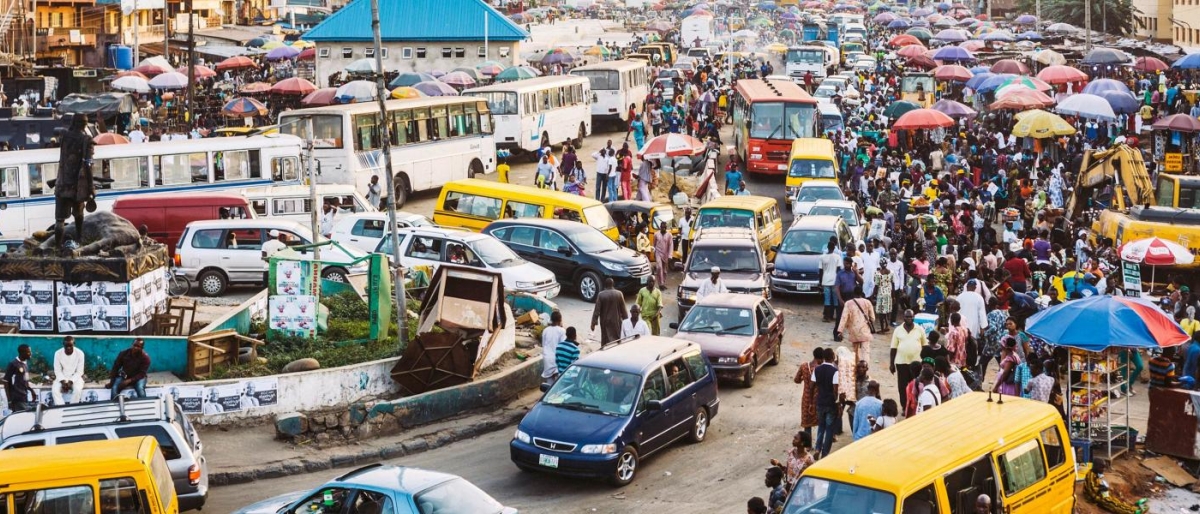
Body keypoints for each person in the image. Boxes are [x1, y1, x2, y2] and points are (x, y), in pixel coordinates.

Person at [53, 114, 96, 248]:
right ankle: (79, 241)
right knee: (79, 216)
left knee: (59, 220)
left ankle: (57, 247)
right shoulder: (87, 140)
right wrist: (91, 187)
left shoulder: (64, 136)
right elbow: (88, 165)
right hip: (78, 187)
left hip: (61, 185)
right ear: (84, 125)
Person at [890, 310, 927, 408]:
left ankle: (915, 405)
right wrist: (891, 363)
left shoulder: (919, 329)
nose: (909, 319)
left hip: (916, 363)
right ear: (904, 318)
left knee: (916, 385)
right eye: (907, 317)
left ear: (913, 318)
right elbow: (893, 348)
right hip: (901, 363)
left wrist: (925, 361)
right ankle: (904, 406)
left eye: (910, 317)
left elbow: (925, 346)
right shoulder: (898, 330)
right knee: (902, 387)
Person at [812, 347, 839, 459]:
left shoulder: (817, 369)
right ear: (833, 358)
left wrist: (811, 401)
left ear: (823, 357)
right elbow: (835, 389)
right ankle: (825, 453)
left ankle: (818, 448)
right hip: (830, 403)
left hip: (820, 402)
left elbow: (812, 386)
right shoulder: (835, 371)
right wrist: (838, 403)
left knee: (821, 426)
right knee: (829, 429)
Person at [838, 288, 875, 364]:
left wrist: (840, 331)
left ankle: (857, 369)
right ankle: (865, 368)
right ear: (862, 293)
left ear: (853, 293)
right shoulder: (867, 302)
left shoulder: (848, 303)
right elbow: (873, 318)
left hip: (854, 331)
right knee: (865, 352)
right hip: (865, 331)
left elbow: (844, 318)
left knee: (855, 352)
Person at [794, 348, 822, 437]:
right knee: (821, 422)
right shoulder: (821, 369)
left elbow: (796, 380)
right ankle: (819, 445)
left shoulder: (804, 366)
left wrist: (804, 379)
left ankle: (808, 445)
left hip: (806, 398)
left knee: (807, 422)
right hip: (818, 398)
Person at [591, 278, 628, 346]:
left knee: (605, 340)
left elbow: (596, 311)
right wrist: (627, 321)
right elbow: (624, 310)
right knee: (617, 338)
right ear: (613, 284)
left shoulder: (601, 295)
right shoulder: (619, 294)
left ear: (605, 285)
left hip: (605, 322)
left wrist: (593, 323)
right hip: (616, 321)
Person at [52, 336, 85, 405]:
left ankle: (72, 408)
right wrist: (63, 381)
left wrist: (71, 381)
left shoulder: (80, 353)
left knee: (77, 390)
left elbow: (79, 371)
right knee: (55, 390)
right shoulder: (58, 353)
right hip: (62, 376)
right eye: (66, 346)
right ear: (63, 345)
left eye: (70, 346)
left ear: (74, 344)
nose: (68, 348)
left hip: (75, 377)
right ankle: (61, 408)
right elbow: (57, 370)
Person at [4, 344, 33, 412]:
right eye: (28, 352)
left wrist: (32, 391)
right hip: (16, 398)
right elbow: (6, 382)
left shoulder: (25, 364)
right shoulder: (13, 364)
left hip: (24, 397)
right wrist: (9, 400)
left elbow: (26, 380)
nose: (31, 353)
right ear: (22, 353)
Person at [819, 242, 842, 322]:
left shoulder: (822, 257)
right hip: (835, 280)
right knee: (836, 299)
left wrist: (820, 282)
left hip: (825, 280)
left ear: (827, 247)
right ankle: (837, 316)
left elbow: (821, 271)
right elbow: (839, 270)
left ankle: (827, 316)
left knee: (827, 299)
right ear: (834, 247)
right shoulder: (837, 257)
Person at [542, 311, 566, 383]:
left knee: (549, 384)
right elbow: (563, 345)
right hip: (557, 358)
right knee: (558, 383)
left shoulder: (545, 330)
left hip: (547, 358)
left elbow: (543, 344)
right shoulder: (562, 331)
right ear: (560, 320)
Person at [653, 222, 673, 287]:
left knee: (664, 270)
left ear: (666, 228)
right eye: (662, 227)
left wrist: (670, 255)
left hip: (665, 254)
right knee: (659, 267)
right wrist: (654, 252)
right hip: (658, 252)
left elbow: (670, 246)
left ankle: (663, 283)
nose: (663, 229)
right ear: (660, 227)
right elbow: (654, 244)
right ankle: (660, 284)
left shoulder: (669, 235)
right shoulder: (656, 234)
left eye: (665, 227)